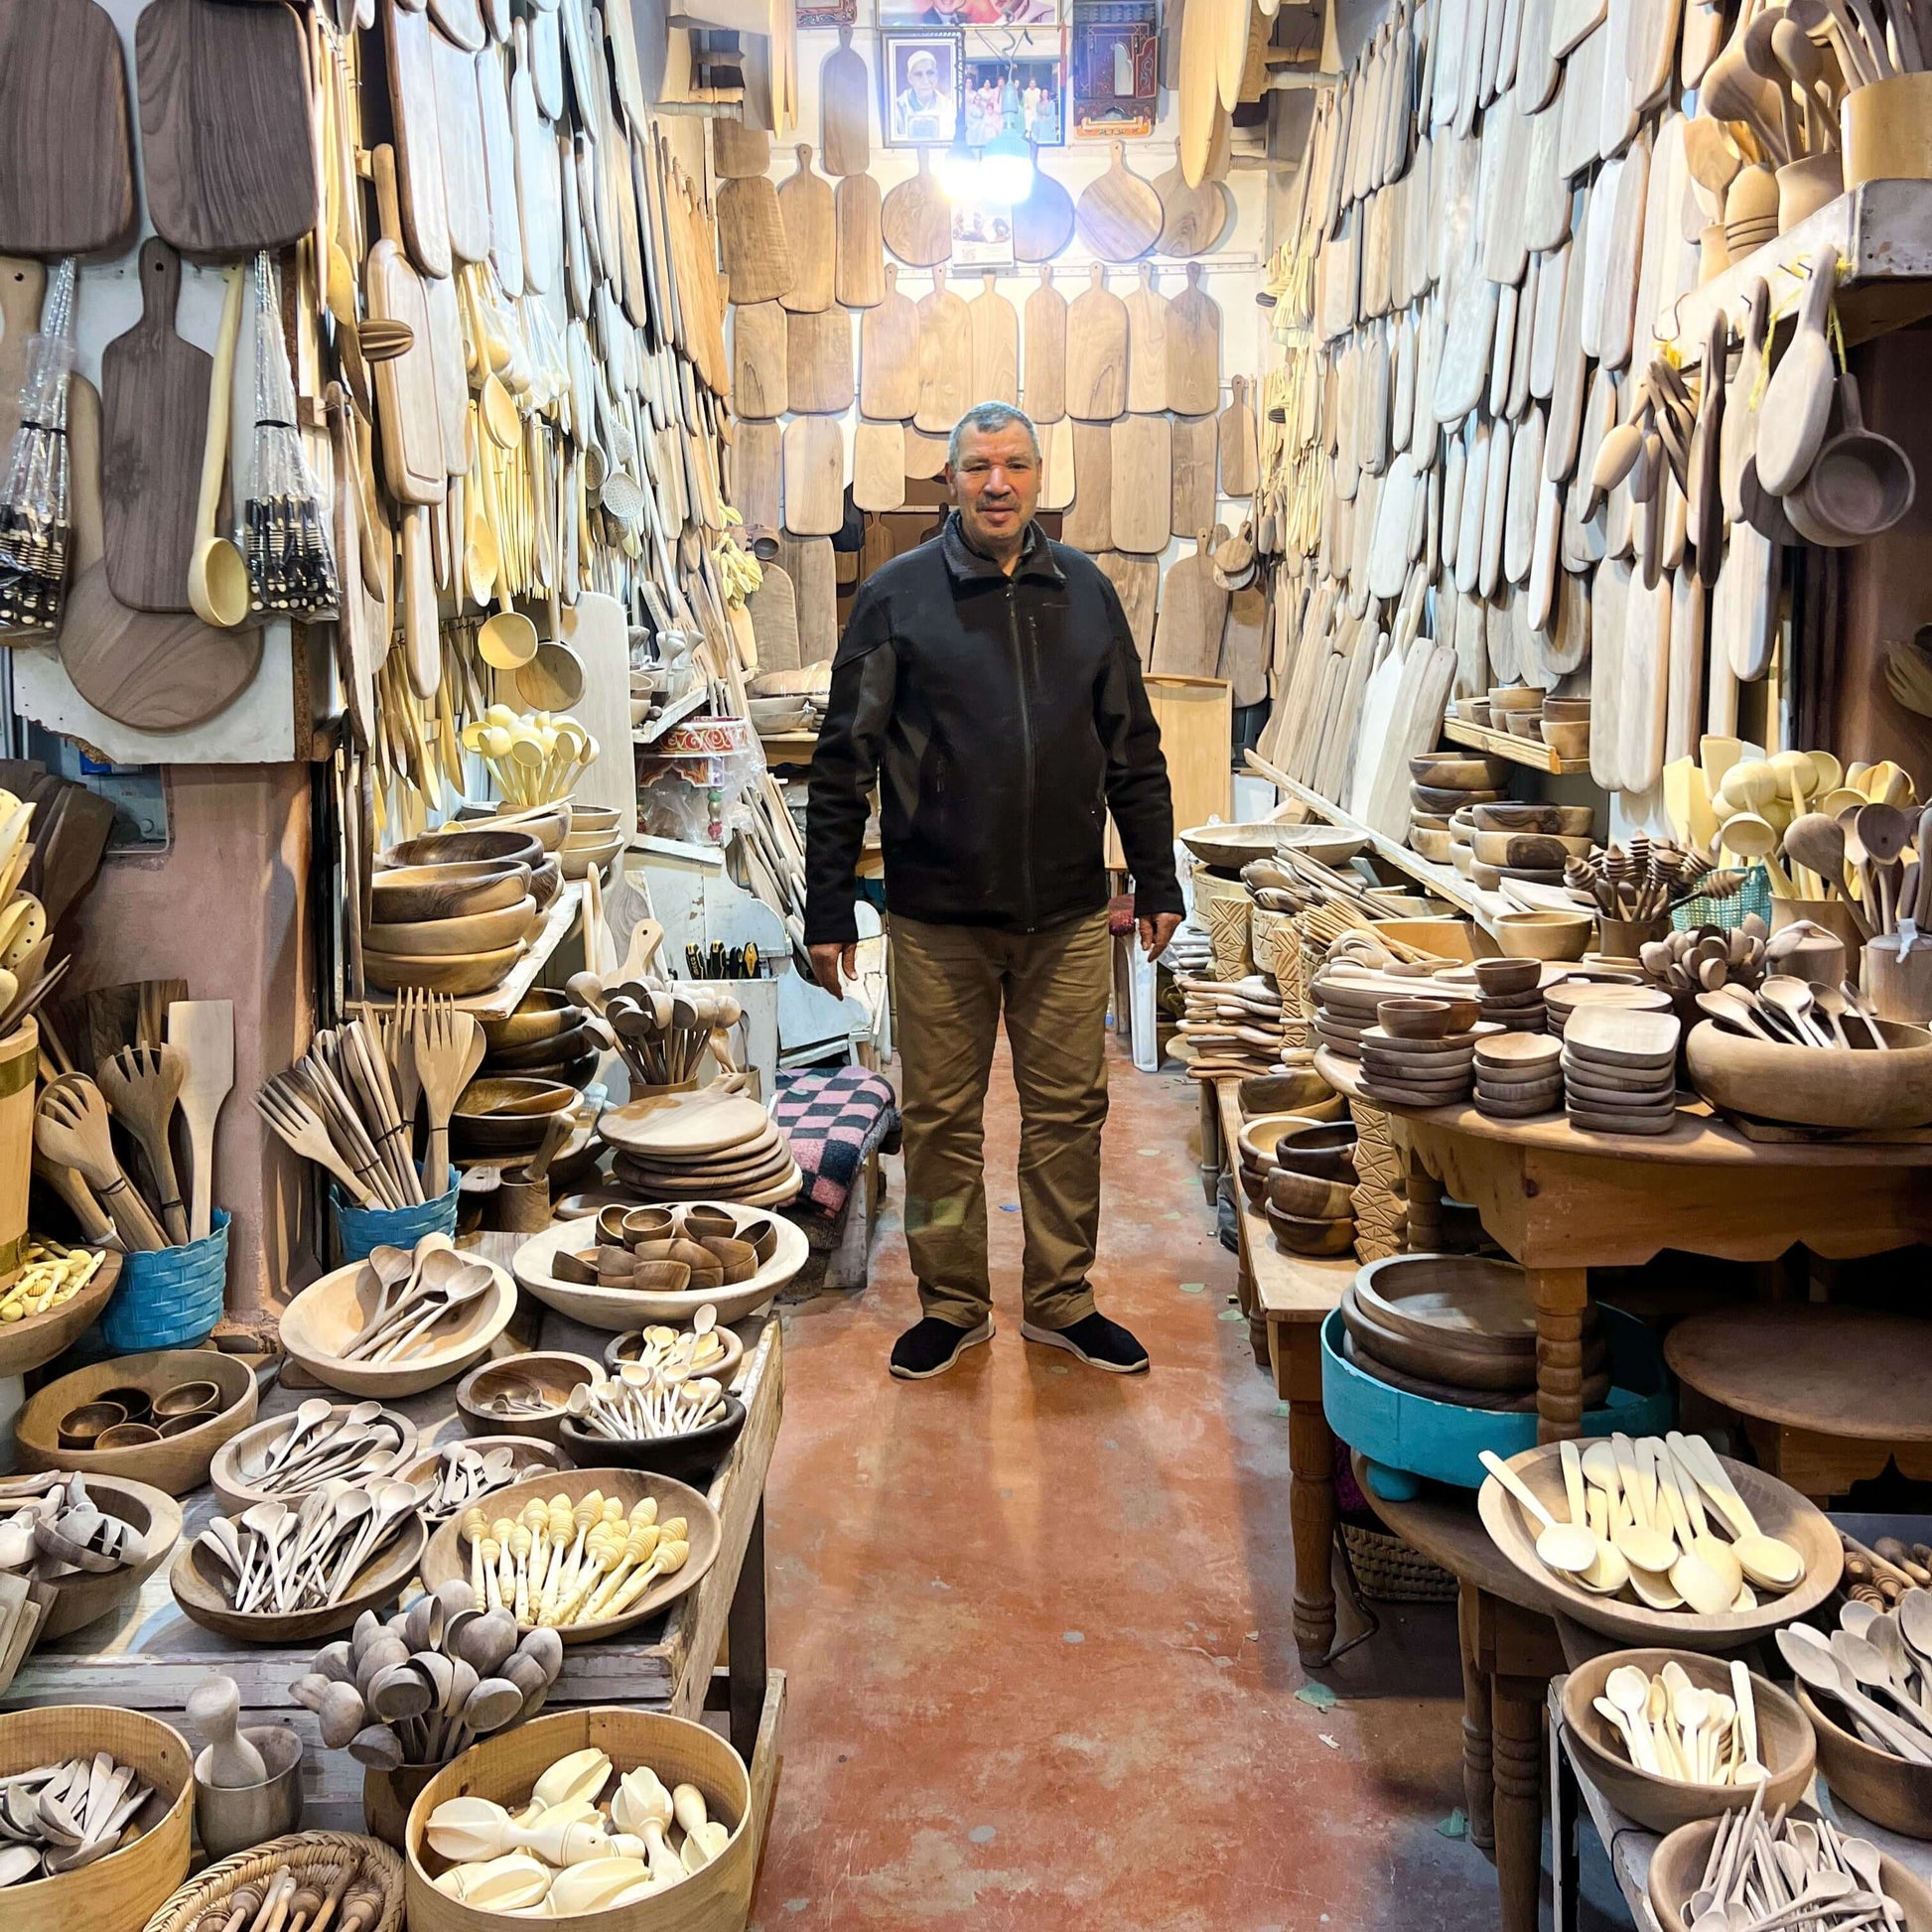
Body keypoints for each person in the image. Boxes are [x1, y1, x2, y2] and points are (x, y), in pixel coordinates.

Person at [805, 402, 1183, 1381]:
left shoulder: (1087, 595)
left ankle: (1059, 1299)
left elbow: (1133, 749)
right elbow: (843, 757)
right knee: (939, 1126)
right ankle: (952, 1304)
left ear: (1036, 474)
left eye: (1014, 464)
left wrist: (1156, 873)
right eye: (977, 465)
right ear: (949, 481)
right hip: (935, 921)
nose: (997, 483)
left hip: (1063, 916)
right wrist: (826, 900)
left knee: (1067, 1120)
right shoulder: (895, 597)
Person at [895, 50, 955, 143]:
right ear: (910, 78)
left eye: (930, 73)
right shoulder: (897, 107)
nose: (926, 81)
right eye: (918, 74)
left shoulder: (948, 106)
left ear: (936, 76)